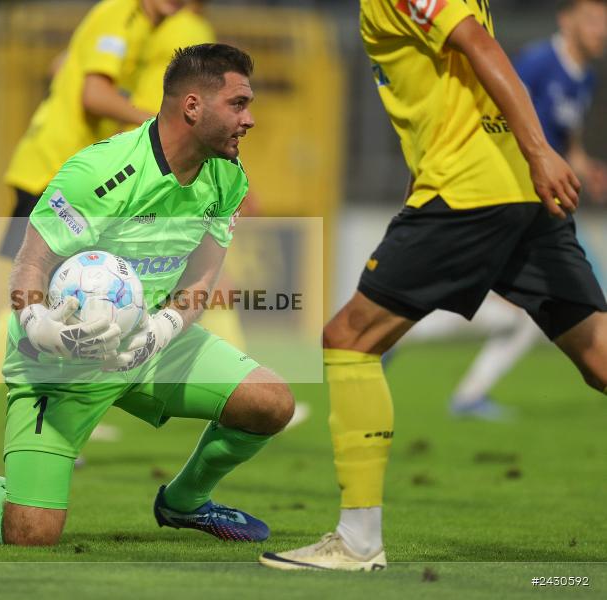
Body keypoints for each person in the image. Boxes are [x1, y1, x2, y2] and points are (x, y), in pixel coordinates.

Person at [260, 0, 607, 571]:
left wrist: (541, 149)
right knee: (598, 357)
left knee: (350, 338)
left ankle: (357, 541)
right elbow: (452, 83)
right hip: (517, 191)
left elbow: (479, 44)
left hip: (470, 193)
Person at [0, 43, 296, 546]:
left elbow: (201, 281)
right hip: (60, 359)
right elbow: (30, 262)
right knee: (30, 535)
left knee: (271, 403)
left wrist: (161, 329)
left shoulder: (228, 177)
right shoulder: (99, 173)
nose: (249, 120)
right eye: (239, 104)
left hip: (150, 347)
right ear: (192, 106)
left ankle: (184, 502)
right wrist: (37, 323)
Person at [0, 0, 190, 452]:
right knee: (32, 306)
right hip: (56, 174)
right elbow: (93, 94)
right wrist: (155, 122)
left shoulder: (135, 24)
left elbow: (63, 65)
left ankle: (56, 416)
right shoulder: (122, 15)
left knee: (61, 301)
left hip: (71, 172)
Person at [445, 0, 607, 419]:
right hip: (510, 197)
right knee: (565, 306)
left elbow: (567, 138)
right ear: (565, 19)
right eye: (593, 18)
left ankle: (465, 392)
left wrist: (584, 166)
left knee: (529, 313)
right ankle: (391, 339)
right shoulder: (537, 62)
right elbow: (499, 115)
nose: (601, 29)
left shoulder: (583, 77)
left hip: (545, 203)